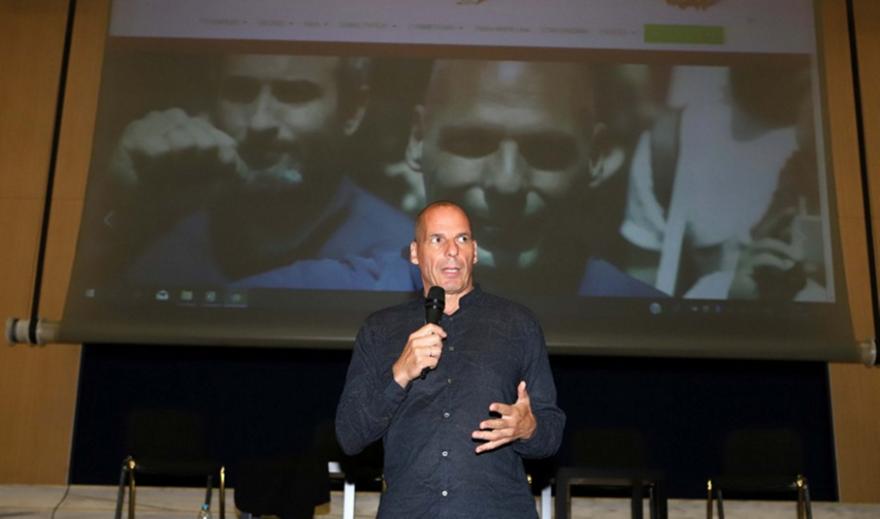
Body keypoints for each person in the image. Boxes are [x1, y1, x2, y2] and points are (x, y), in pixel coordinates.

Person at [99, 54, 415, 290]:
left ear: (352, 110)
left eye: (294, 93)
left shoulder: (401, 253)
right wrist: (118, 201)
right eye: (239, 91)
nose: (259, 122)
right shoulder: (163, 231)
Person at [336, 201, 565, 518]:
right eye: (437, 239)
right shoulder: (380, 329)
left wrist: (528, 428)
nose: (452, 250)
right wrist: (400, 374)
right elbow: (350, 436)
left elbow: (551, 433)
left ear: (475, 252)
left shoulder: (518, 324)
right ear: (414, 253)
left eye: (462, 239)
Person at [403, 59, 662, 297]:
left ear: (594, 157)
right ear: (418, 140)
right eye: (472, 143)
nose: (507, 184)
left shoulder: (647, 324)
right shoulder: (376, 302)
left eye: (546, 150)